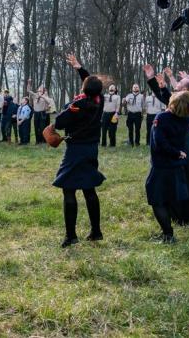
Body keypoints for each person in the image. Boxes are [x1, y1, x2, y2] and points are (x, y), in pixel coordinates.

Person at [53, 54, 105, 248]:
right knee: (89, 189)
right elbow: (93, 85)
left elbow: (58, 122)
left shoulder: (76, 105)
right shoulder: (99, 101)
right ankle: (96, 231)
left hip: (75, 151)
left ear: (83, 89)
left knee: (69, 191)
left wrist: (67, 109)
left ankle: (71, 236)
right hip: (91, 150)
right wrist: (79, 68)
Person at [146, 91, 189, 243]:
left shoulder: (162, 118)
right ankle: (168, 232)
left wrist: (174, 153)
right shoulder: (188, 117)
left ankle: (168, 235)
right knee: (168, 196)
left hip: (162, 165)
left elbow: (159, 142)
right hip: (177, 164)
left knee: (157, 199)